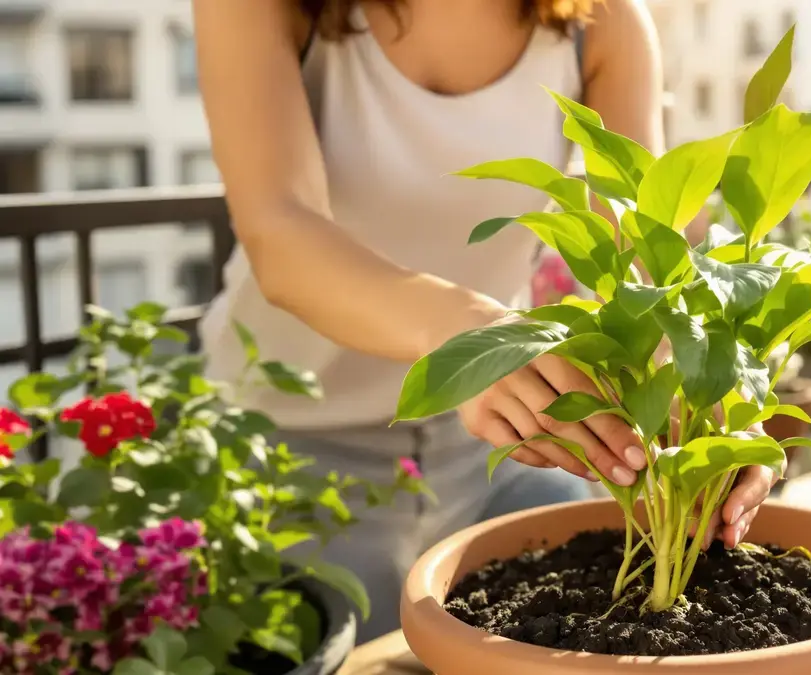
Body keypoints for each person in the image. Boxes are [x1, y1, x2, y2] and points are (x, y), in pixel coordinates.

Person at [192, 0, 778, 643]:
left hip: (492, 442)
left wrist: (699, 389)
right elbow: (281, 235)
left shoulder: (602, 21)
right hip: (286, 448)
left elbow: (643, 255)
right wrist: (472, 335)